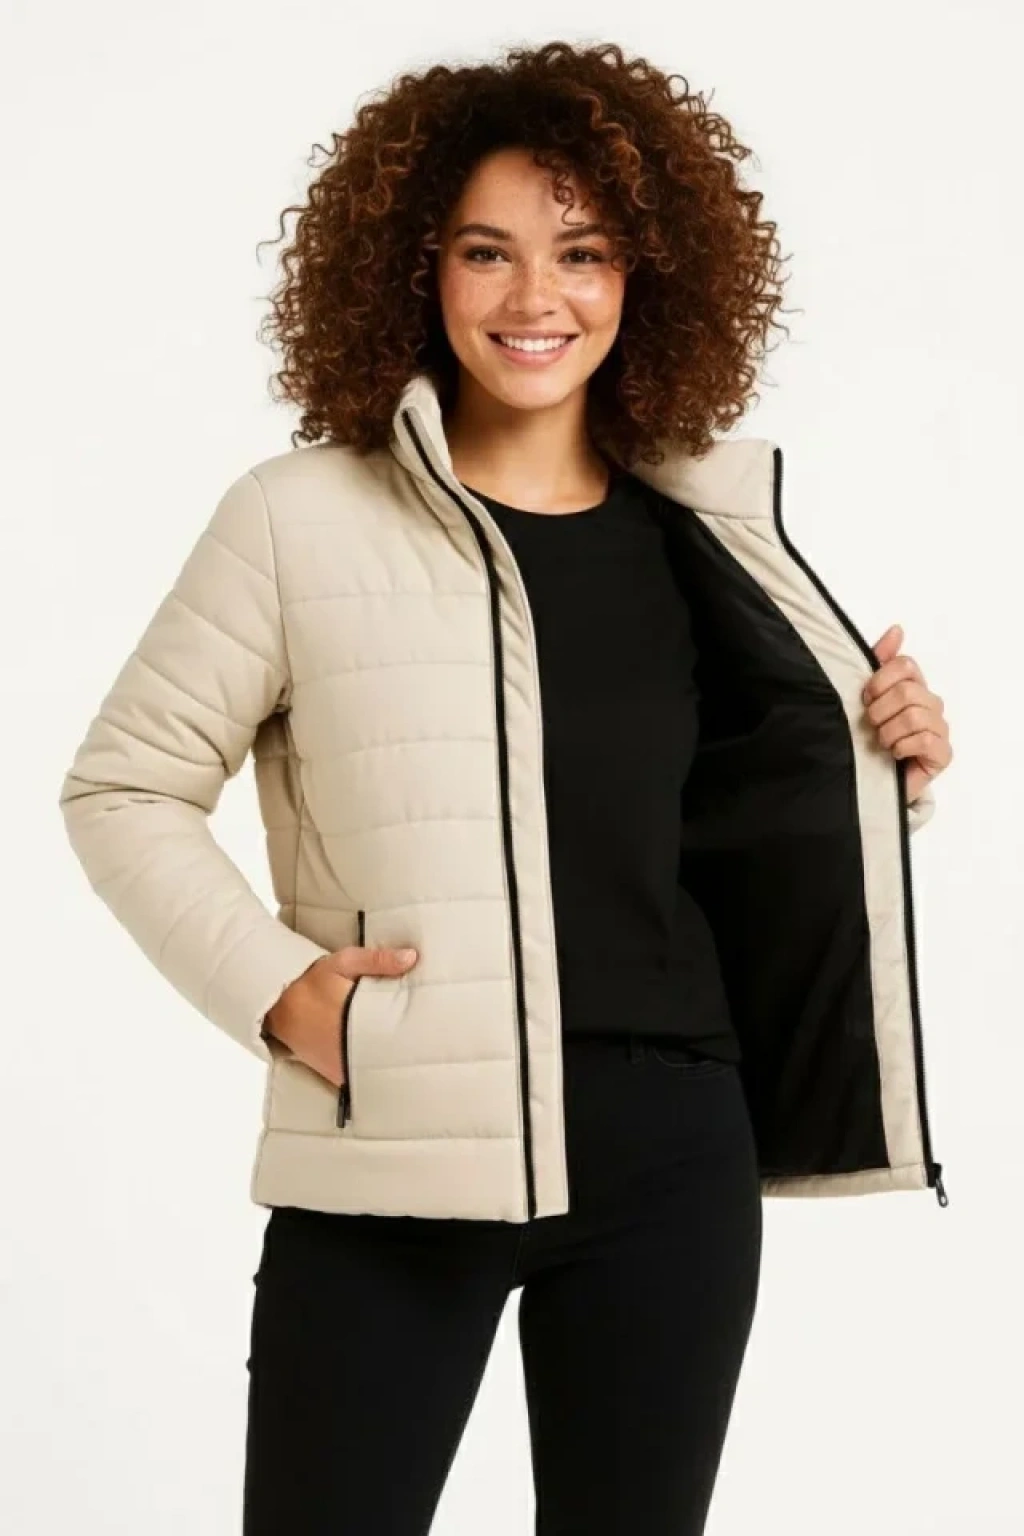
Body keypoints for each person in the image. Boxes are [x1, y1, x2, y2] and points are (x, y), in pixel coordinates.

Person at [57, 39, 954, 1536]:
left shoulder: (703, 533)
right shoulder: (296, 520)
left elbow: (718, 824)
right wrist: (283, 993)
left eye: (582, 253)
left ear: (646, 275)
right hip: (401, 1139)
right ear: (418, 268)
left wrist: (887, 763)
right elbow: (122, 787)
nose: (537, 297)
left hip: (672, 1150)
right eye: (488, 251)